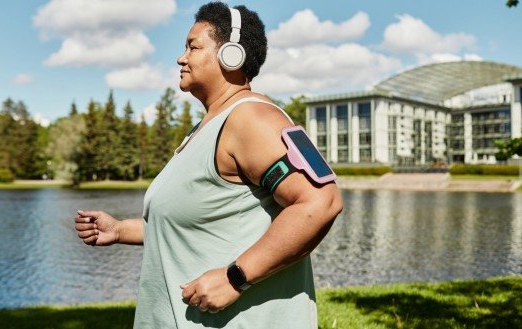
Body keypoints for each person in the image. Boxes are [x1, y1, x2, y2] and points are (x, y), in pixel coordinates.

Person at [74, 2, 343, 328]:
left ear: (231, 55)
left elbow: (321, 201)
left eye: (193, 46)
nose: (181, 57)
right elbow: (189, 224)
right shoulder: (206, 129)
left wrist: (235, 278)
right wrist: (118, 230)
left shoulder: (252, 118)